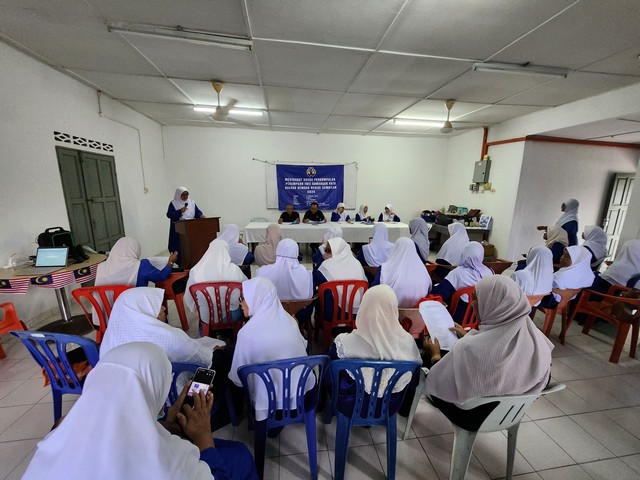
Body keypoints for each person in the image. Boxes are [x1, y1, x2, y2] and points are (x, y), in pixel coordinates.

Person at [22, 342, 259, 480]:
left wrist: (168, 424)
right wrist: (203, 436)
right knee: (240, 455)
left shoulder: (55, 439)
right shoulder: (170, 467)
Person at [424, 276, 553, 430]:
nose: (472, 304)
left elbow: (442, 380)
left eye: (476, 299)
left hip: (472, 416)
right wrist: (468, 336)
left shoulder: (469, 348)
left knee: (429, 362)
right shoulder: (538, 340)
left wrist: (435, 355)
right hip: (511, 414)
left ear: (495, 306)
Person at [327, 285, 421, 415]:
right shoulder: (408, 343)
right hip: (389, 406)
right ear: (394, 309)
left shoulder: (344, 344)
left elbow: (329, 377)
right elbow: (413, 381)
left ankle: (328, 410)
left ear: (364, 308)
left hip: (351, 405)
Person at [228, 277, 311, 423]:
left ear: (256, 300)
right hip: (300, 394)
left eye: (244, 298)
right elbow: (304, 347)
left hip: (266, 404)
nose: (241, 303)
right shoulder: (291, 321)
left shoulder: (246, 333)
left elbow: (237, 378)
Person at [100, 287, 224, 366]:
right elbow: (201, 357)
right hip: (172, 390)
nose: (164, 308)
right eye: (157, 306)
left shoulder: (111, 339)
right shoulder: (169, 338)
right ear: (145, 311)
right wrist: (215, 352)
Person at [184, 240, 248, 327]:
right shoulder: (234, 270)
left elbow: (188, 297)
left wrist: (197, 308)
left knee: (203, 320)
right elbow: (248, 288)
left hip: (207, 317)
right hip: (232, 316)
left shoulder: (195, 271)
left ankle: (204, 331)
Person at [432, 241, 493, 319]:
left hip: (460, 317)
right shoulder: (489, 272)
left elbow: (439, 294)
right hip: (479, 317)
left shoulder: (457, 273)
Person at [314, 237, 367, 320]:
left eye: (328, 251)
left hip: (333, 312)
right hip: (356, 312)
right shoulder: (357, 264)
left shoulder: (327, 266)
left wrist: (322, 259)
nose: (326, 253)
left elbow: (315, 278)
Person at [372, 237, 432, 307]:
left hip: (390, 310)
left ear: (395, 249)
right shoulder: (422, 270)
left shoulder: (385, 269)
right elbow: (429, 289)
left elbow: (373, 290)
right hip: (418, 311)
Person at [95, 237, 177, 287]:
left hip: (105, 309)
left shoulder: (101, 267)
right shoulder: (140, 266)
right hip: (133, 307)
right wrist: (170, 262)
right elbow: (161, 276)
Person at [166, 187, 205, 266]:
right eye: (183, 195)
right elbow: (169, 214)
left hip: (191, 229)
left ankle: (193, 263)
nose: (185, 196)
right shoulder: (174, 203)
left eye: (186, 194)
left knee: (191, 248)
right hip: (178, 231)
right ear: (178, 195)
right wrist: (179, 211)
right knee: (180, 249)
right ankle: (182, 264)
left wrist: (201, 215)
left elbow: (197, 212)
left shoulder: (191, 202)